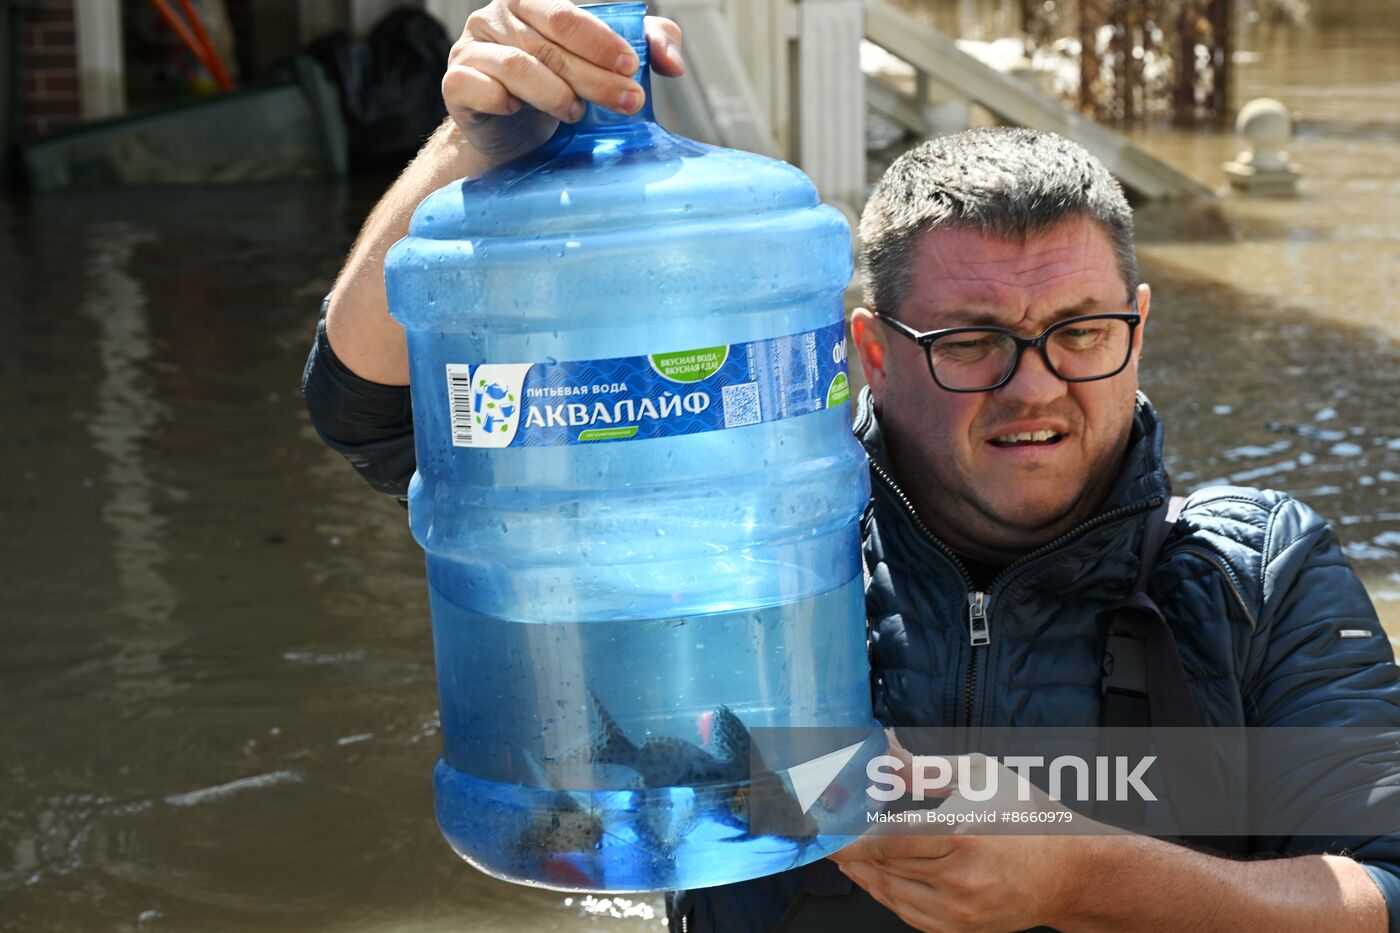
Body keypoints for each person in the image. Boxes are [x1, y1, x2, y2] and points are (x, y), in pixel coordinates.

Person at [301, 3, 1400, 930]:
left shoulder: (1255, 576)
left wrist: (1079, 868)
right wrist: (473, 151)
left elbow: (1380, 888)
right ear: (866, 353)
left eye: (1079, 330)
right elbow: (365, 407)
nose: (1033, 387)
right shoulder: (750, 526)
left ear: (1137, 327)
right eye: (970, 341)